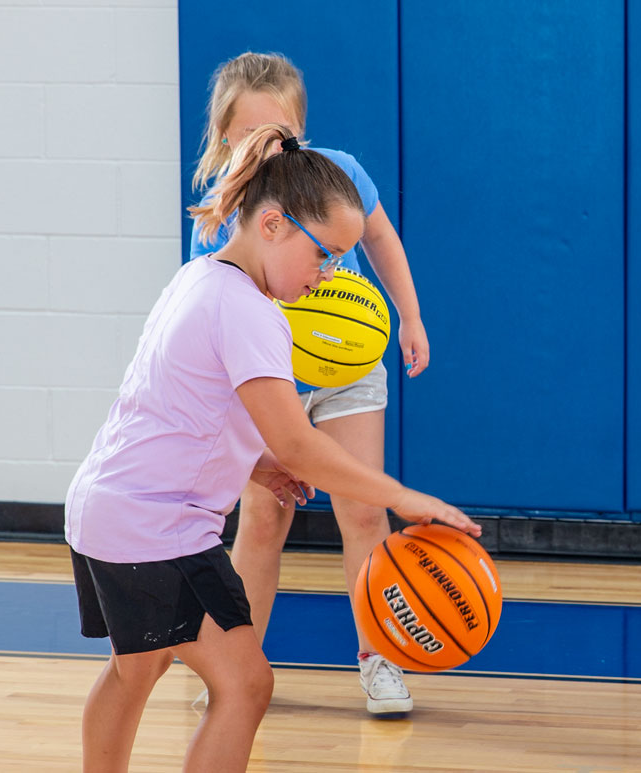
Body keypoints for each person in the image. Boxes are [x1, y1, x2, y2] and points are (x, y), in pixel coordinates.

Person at [65, 123, 479, 772]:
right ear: (274, 224)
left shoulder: (200, 279)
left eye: (341, 257)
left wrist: (258, 466)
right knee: (246, 683)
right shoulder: (251, 312)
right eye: (326, 254)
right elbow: (300, 441)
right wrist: (404, 497)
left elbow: (177, 408)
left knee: (133, 671)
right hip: (155, 526)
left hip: (105, 507)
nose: (333, 272)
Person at [190, 52, 429, 715]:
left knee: (361, 508)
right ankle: (235, 668)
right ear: (224, 140)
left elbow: (380, 238)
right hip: (271, 378)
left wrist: (408, 315)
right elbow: (210, 319)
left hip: (348, 366)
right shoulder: (218, 216)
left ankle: (379, 654)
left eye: (282, 135)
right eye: (251, 137)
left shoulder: (340, 173)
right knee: (265, 516)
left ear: (302, 131)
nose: (270, 149)